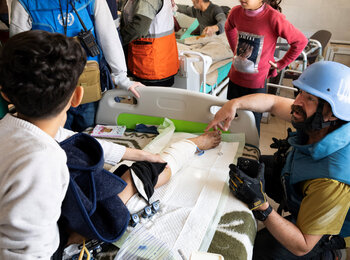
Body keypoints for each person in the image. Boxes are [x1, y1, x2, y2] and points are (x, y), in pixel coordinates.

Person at [0, 30, 221, 258]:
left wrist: (137, 153)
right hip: (55, 241)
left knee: (121, 159)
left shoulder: (13, 129)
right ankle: (191, 144)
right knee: (149, 172)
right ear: (78, 96)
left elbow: (70, 138)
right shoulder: (43, 162)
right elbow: (29, 252)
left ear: (5, 94)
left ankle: (182, 147)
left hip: (45, 219)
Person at [206, 61, 350, 259]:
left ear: (331, 113)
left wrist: (261, 206)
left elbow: (302, 245)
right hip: (301, 183)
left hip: (318, 233)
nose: (297, 102)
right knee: (247, 170)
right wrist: (234, 103)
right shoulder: (316, 121)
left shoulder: (333, 177)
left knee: (257, 249)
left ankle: (327, 254)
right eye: (299, 92)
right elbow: (272, 103)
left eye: (309, 98)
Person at [9, 0, 144, 132]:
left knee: (88, 136)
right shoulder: (24, 3)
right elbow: (19, 52)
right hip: (49, 89)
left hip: (86, 84)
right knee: (56, 140)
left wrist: (121, 77)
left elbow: (109, 38)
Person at [225, 0, 308, 134]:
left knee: (251, 126)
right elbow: (228, 28)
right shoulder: (235, 12)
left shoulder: (273, 17)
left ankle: (250, 154)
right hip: (235, 79)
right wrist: (235, 49)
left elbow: (300, 41)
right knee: (231, 122)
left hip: (255, 84)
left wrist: (281, 63)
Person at [120, 0, 179, 87]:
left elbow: (138, 29)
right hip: (159, 61)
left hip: (150, 64)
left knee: (148, 99)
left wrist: (116, 42)